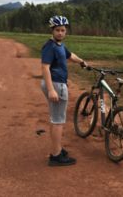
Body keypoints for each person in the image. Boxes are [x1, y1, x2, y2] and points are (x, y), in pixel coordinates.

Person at [41, 15, 87, 166]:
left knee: (55, 118)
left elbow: (70, 55)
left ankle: (57, 149)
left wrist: (81, 61)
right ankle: (56, 156)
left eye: (63, 30)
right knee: (58, 121)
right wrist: (51, 90)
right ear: (52, 31)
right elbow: (45, 67)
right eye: (57, 30)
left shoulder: (60, 46)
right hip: (56, 85)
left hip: (57, 85)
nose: (60, 33)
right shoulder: (50, 46)